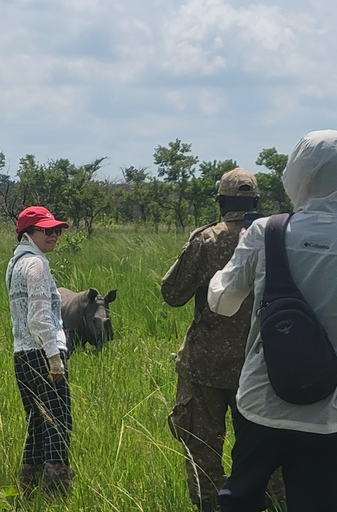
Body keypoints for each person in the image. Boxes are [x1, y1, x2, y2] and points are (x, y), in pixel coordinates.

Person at [208, 130, 337, 512]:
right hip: (327, 409)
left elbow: (223, 301)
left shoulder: (267, 231)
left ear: (298, 175)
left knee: (241, 496)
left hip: (262, 400)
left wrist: (245, 248)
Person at [162, 168, 285, 512]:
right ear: (256, 202)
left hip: (206, 365)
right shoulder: (275, 237)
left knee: (202, 449)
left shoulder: (207, 239)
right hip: (261, 365)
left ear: (221, 201)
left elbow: (172, 293)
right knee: (265, 451)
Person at [5, 205, 74, 496]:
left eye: (56, 230)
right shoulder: (36, 264)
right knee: (58, 424)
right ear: (28, 233)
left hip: (22, 355)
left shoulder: (15, 263)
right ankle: (56, 494)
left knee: (37, 424)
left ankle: (29, 489)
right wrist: (54, 356)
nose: (54, 235)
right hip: (42, 354)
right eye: (47, 230)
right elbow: (39, 316)